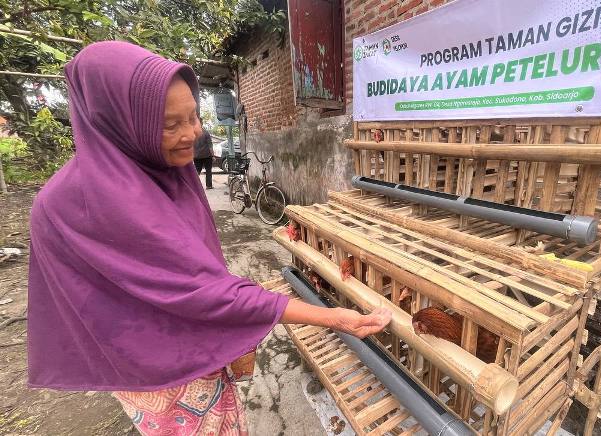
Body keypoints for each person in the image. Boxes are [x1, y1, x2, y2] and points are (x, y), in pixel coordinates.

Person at [27, 41, 391, 435]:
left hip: (199, 352)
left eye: (194, 116)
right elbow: (204, 293)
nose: (194, 134)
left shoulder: (166, 172)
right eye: (171, 125)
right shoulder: (80, 203)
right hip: (162, 373)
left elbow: (199, 275)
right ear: (117, 121)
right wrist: (332, 317)